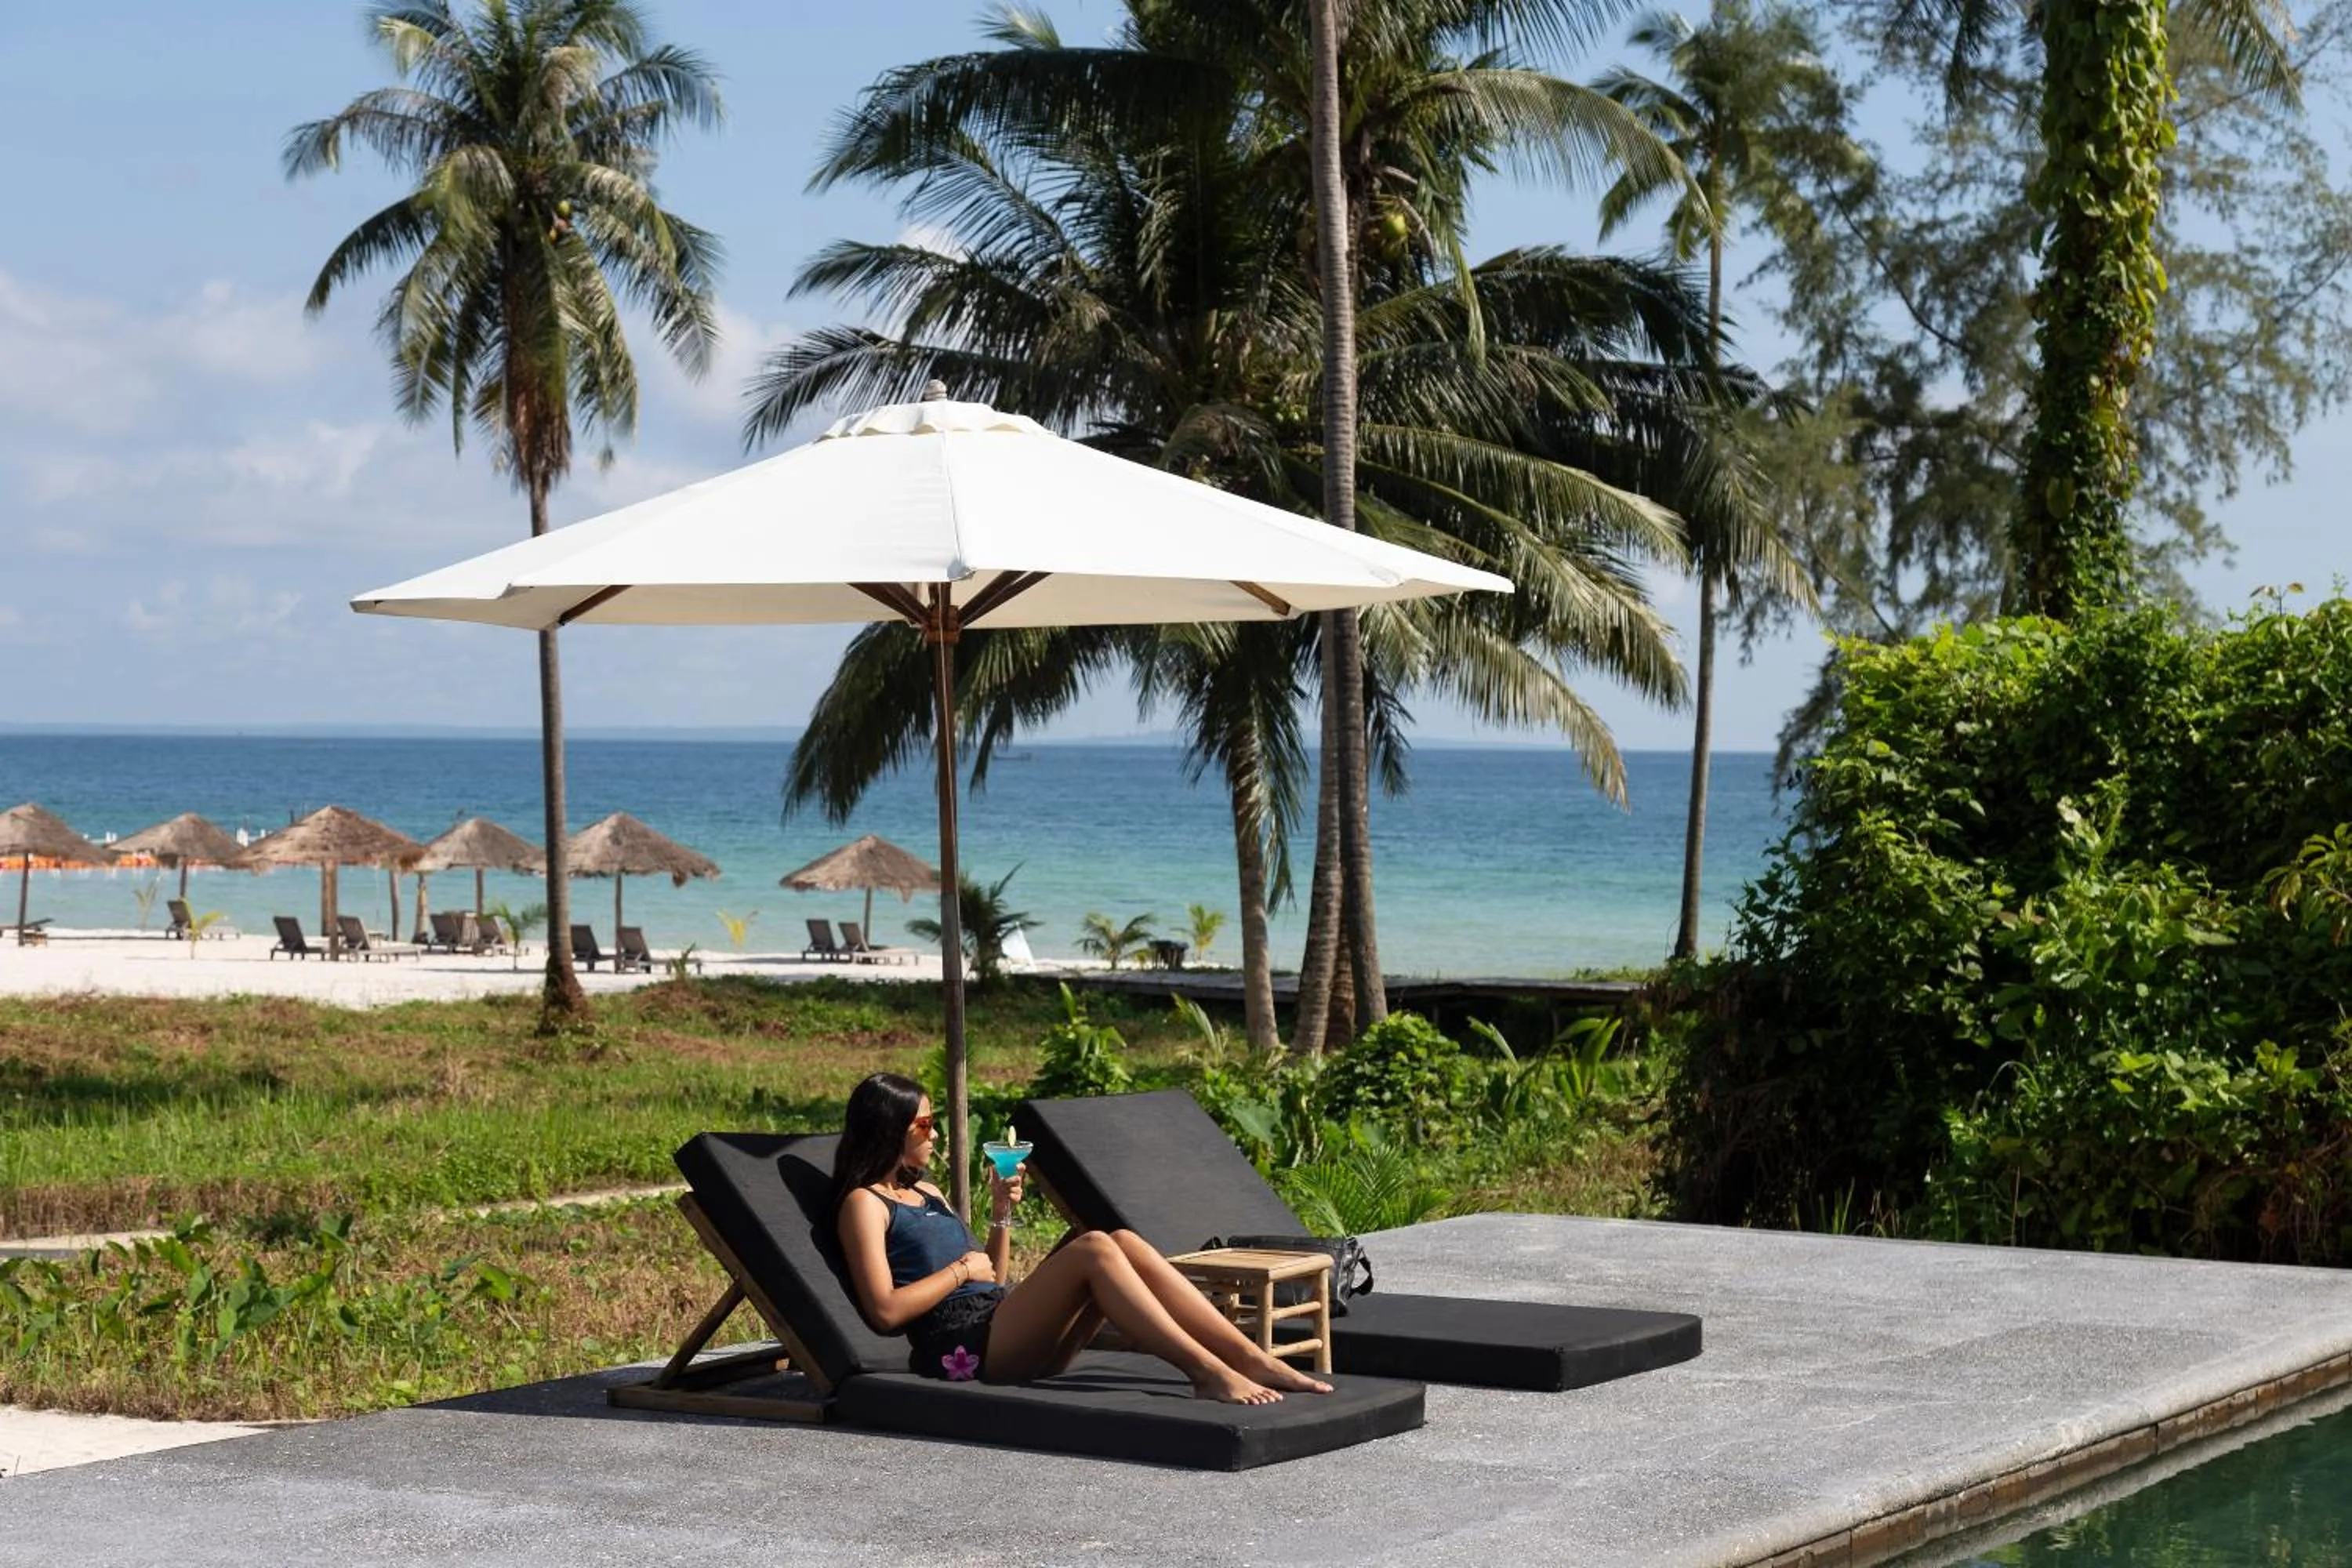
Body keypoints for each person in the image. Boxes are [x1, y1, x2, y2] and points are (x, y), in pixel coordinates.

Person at [833, 1072, 1332, 1403]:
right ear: (890, 1130)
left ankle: (1248, 1357)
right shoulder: (865, 1205)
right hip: (962, 1350)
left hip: (1001, 1326)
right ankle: (1205, 1371)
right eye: (925, 1124)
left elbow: (994, 1278)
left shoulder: (930, 1192)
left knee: (1122, 1240)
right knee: (1093, 1246)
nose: (936, 1133)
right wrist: (961, 1269)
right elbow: (885, 1311)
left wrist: (1001, 1213)